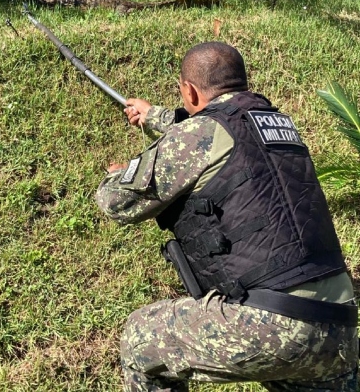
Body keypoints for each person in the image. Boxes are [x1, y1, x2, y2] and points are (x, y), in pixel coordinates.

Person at [95, 41, 358, 391]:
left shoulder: (199, 133)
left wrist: (118, 174)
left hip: (277, 324)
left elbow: (116, 203)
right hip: (341, 326)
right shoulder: (277, 123)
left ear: (188, 90)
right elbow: (218, 132)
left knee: (139, 339)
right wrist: (156, 115)